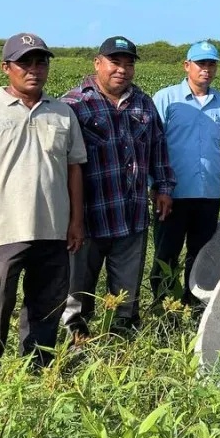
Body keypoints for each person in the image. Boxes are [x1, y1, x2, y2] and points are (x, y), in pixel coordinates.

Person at [0, 33, 87, 387]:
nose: (34, 70)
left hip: (53, 231)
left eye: (41, 62)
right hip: (3, 231)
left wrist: (75, 221)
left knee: (47, 308)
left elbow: (74, 169)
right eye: (25, 62)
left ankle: (37, 377)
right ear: (6, 67)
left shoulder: (62, 112)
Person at [61, 36, 176, 338]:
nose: (122, 70)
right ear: (97, 63)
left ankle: (121, 336)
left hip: (131, 213)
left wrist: (163, 187)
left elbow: (158, 148)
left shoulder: (144, 103)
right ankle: (76, 338)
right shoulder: (74, 104)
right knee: (78, 286)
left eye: (128, 64)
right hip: (87, 217)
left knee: (126, 290)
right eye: (115, 62)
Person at [150, 41, 220, 306]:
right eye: (201, 64)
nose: (206, 70)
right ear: (187, 66)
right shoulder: (166, 98)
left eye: (211, 64)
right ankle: (162, 308)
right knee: (165, 255)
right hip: (173, 193)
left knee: (200, 254)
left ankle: (193, 305)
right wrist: (155, 186)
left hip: (209, 192)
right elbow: (152, 145)